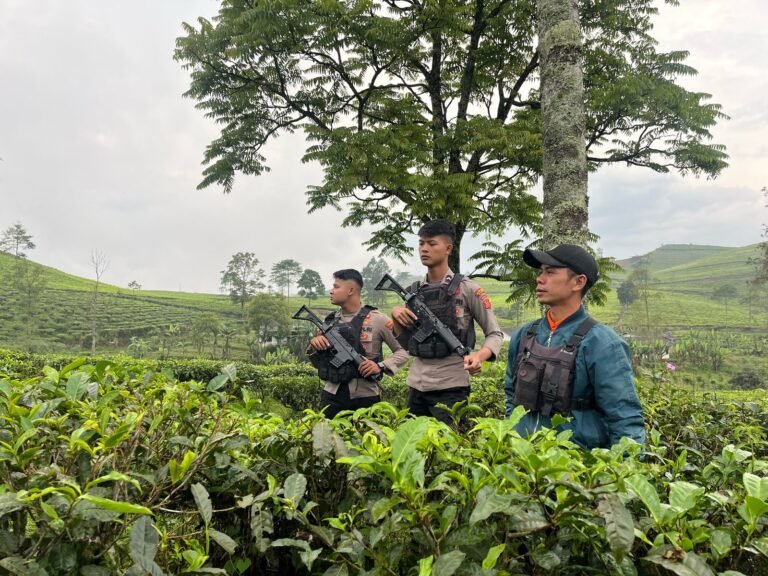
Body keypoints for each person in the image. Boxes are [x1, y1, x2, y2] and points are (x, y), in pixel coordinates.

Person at [504, 244, 645, 449]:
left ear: (578, 282)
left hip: (578, 469)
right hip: (522, 463)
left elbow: (625, 419)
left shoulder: (603, 344)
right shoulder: (524, 336)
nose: (539, 279)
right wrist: (512, 434)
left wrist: (623, 472)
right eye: (540, 272)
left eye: (550, 272)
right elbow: (511, 395)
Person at [391, 219, 504, 424]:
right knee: (412, 449)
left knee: (449, 451)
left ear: (448, 248)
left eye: (432, 243)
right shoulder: (412, 293)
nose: (424, 249)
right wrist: (396, 316)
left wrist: (479, 355)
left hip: (451, 386)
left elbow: (495, 334)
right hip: (417, 384)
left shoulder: (468, 289)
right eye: (421, 243)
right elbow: (408, 344)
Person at [308, 268, 409, 418]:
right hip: (331, 395)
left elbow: (404, 351)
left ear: (351, 290)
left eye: (336, 287)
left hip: (365, 397)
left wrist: (380, 366)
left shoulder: (377, 319)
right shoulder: (329, 322)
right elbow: (318, 362)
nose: (331, 291)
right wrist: (315, 346)